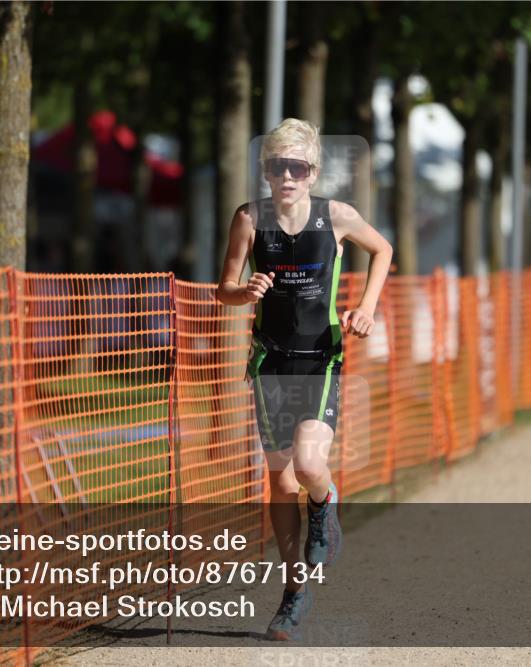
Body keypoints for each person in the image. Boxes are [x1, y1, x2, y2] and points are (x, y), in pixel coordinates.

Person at [216, 119, 392, 641]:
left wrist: (366, 308)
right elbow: (222, 286)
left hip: (320, 358)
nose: (287, 176)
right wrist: (242, 292)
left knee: (311, 465)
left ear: (313, 172)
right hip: (271, 361)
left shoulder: (336, 217)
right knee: (281, 481)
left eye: (297, 167)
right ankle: (294, 592)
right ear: (266, 171)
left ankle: (326, 503)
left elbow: (382, 249)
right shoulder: (249, 219)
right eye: (277, 166)